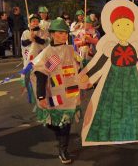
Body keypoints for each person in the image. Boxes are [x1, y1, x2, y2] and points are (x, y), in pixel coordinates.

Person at [79, 0, 138, 147]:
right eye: (119, 25)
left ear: (133, 27)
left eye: (127, 25)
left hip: (133, 80)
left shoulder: (137, 47)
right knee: (111, 108)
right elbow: (100, 63)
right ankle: (111, 133)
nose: (123, 29)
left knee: (134, 107)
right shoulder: (110, 47)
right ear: (112, 28)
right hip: (113, 81)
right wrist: (88, 74)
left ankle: (133, 132)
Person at [30, 18, 81, 164]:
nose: (64, 36)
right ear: (52, 34)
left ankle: (63, 149)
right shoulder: (49, 53)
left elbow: (79, 67)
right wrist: (41, 96)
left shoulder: (71, 49)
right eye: (60, 33)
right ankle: (61, 139)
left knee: (66, 124)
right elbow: (42, 74)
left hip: (71, 93)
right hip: (55, 94)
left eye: (65, 33)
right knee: (56, 123)